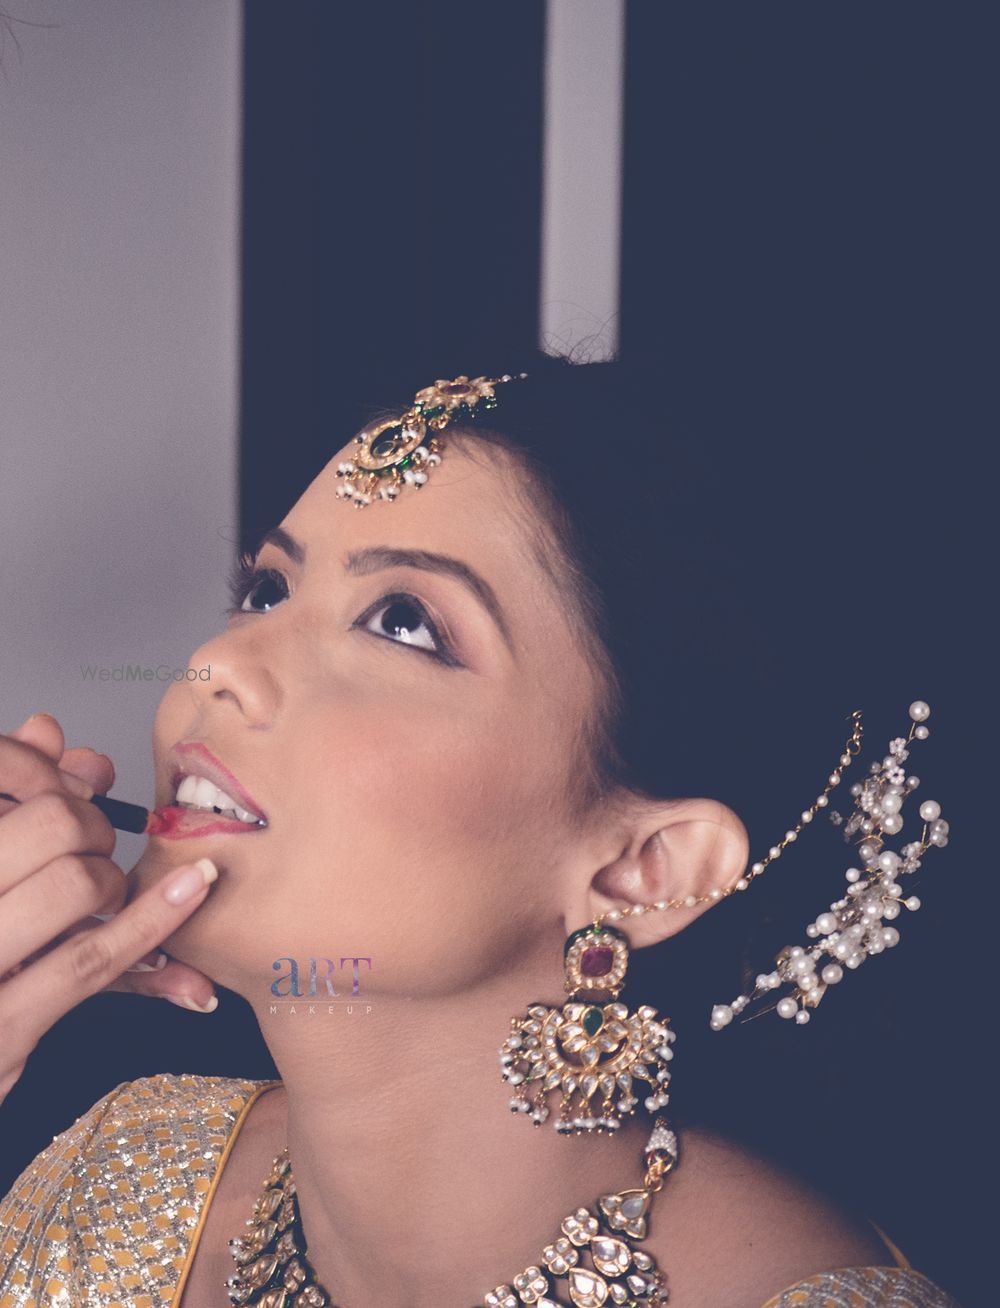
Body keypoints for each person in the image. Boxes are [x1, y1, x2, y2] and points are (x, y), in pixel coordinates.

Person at [0, 356, 961, 1306]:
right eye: (267, 591)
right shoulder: (124, 1170)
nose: (222, 664)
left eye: (403, 621)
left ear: (643, 868)